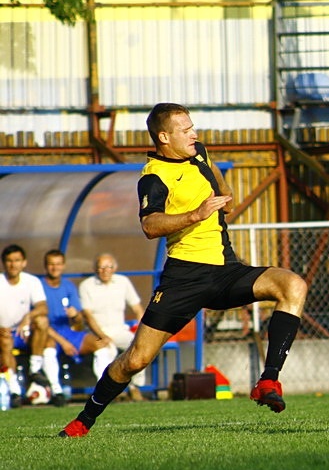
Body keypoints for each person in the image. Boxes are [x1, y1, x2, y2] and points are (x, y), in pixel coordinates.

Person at [59, 103, 309, 437]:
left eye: (193, 127)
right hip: (183, 278)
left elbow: (227, 198)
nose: (194, 134)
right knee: (135, 360)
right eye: (186, 129)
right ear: (164, 137)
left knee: (293, 285)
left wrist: (219, 188)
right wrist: (194, 214)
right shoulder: (153, 177)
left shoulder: (199, 153)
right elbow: (150, 225)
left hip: (225, 271)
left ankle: (267, 380)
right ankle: (83, 420)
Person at [41, 249, 118, 405]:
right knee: (47, 345)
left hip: (68, 332)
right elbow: (39, 322)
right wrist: (64, 343)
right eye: (51, 264)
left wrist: (75, 315)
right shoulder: (38, 286)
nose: (55, 268)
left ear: (63, 266)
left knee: (100, 344)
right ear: (46, 266)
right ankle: (57, 392)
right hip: (47, 333)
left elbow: (79, 321)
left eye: (58, 264)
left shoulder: (69, 287)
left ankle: (102, 391)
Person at [79, 253, 146, 400]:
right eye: (101, 267)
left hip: (120, 330)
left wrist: (143, 329)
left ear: (114, 268)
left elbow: (137, 308)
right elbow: (88, 316)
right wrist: (102, 335)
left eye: (109, 267)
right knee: (104, 352)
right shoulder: (86, 286)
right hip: (96, 333)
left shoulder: (123, 282)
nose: (105, 270)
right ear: (95, 269)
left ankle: (136, 387)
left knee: (140, 346)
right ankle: (108, 391)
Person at [0, 244, 50, 408]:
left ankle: (35, 370)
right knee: (4, 341)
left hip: (25, 332)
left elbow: (43, 307)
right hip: (4, 333)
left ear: (24, 262)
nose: (13, 265)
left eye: (17, 260)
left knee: (42, 321)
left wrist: (28, 316)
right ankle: (14, 390)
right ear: (4, 263)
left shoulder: (32, 281)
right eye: (9, 261)